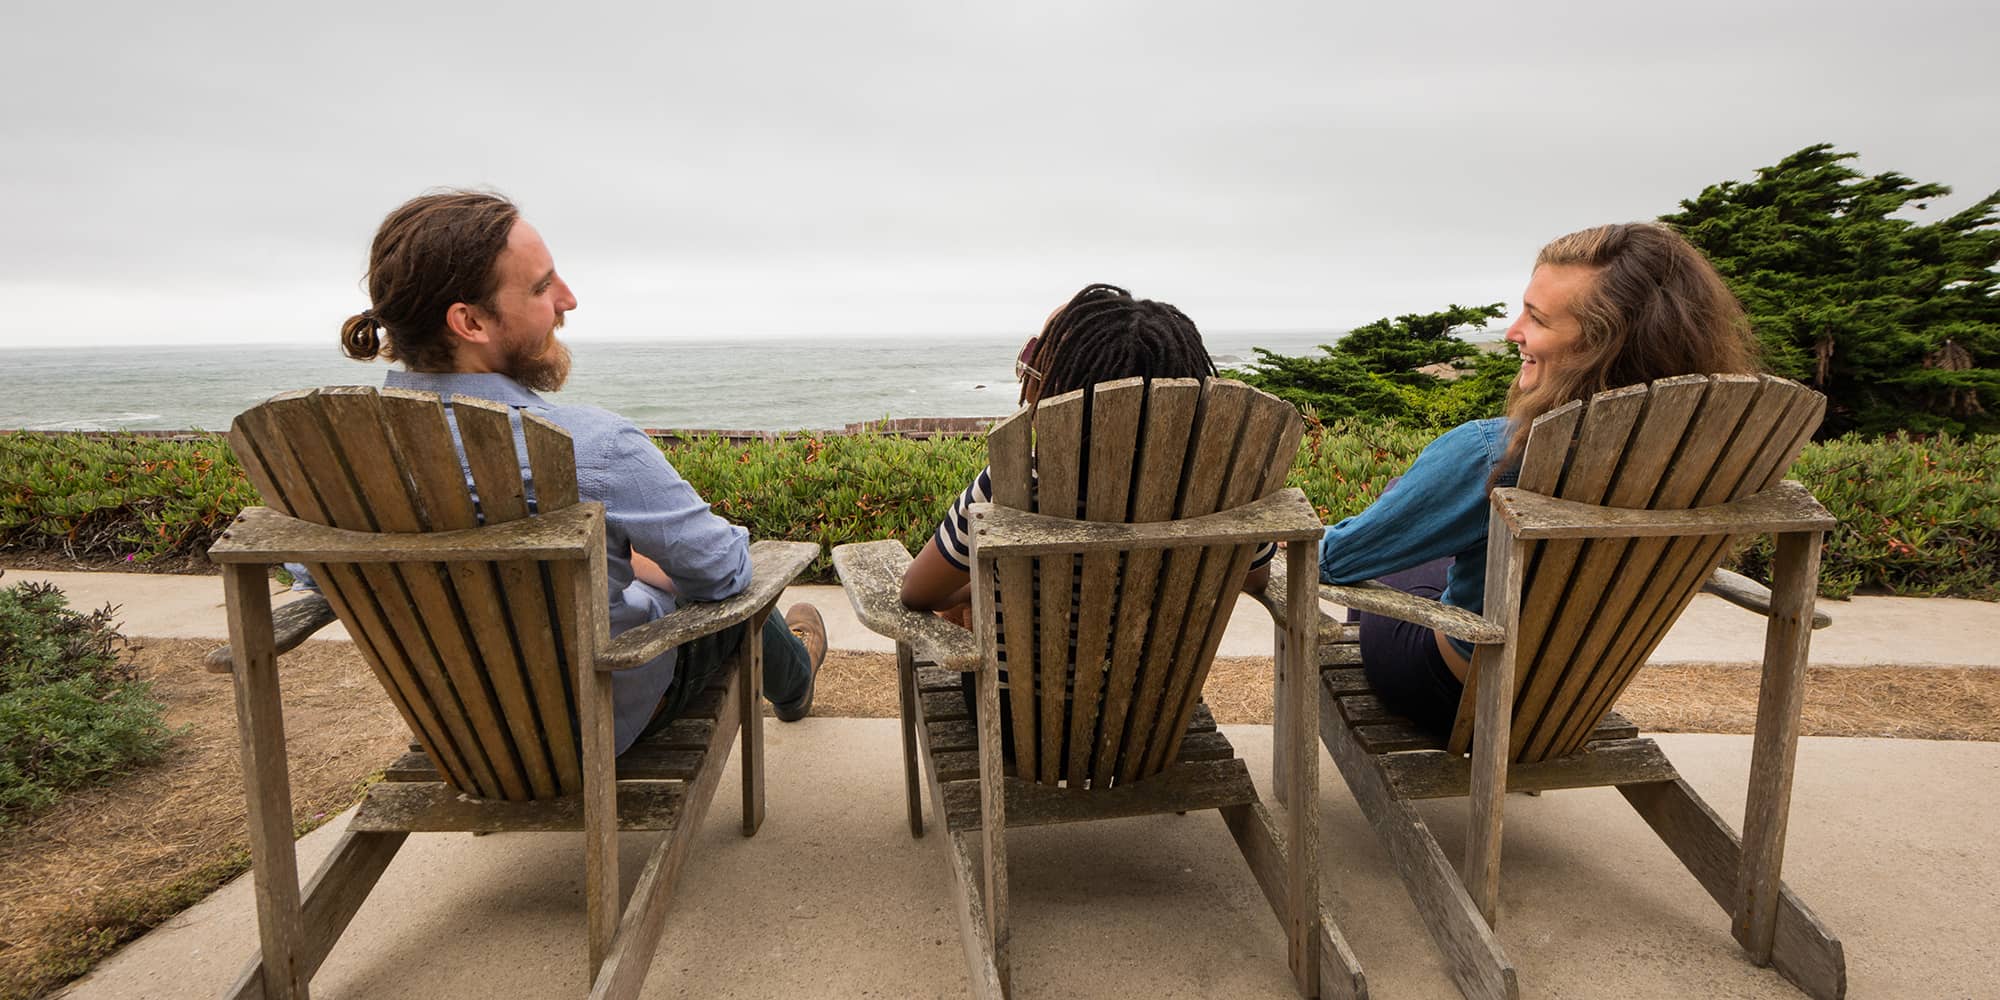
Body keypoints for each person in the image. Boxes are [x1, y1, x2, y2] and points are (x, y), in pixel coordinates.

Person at [324, 190, 824, 756]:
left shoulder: (337, 460)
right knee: (733, 595)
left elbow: (312, 572)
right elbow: (723, 574)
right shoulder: (589, 446)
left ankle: (793, 672)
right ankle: (797, 681)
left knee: (649, 573)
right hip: (596, 716)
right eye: (541, 287)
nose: (569, 299)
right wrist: (657, 568)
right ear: (469, 322)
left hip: (462, 731)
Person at [1318, 222, 1761, 736]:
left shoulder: (1495, 454)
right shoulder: (1706, 453)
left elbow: (1337, 564)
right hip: (1580, 692)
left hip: (1450, 693)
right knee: (1451, 526)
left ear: (1602, 344)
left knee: (1404, 500)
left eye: (1537, 317)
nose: (1512, 332)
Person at [899, 283, 1275, 742]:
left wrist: (977, 592)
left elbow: (918, 592)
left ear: (1054, 385)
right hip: (1152, 726)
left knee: (968, 609)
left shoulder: (1012, 485)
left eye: (1038, 355)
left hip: (1020, 733)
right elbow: (1253, 577)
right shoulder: (1227, 488)